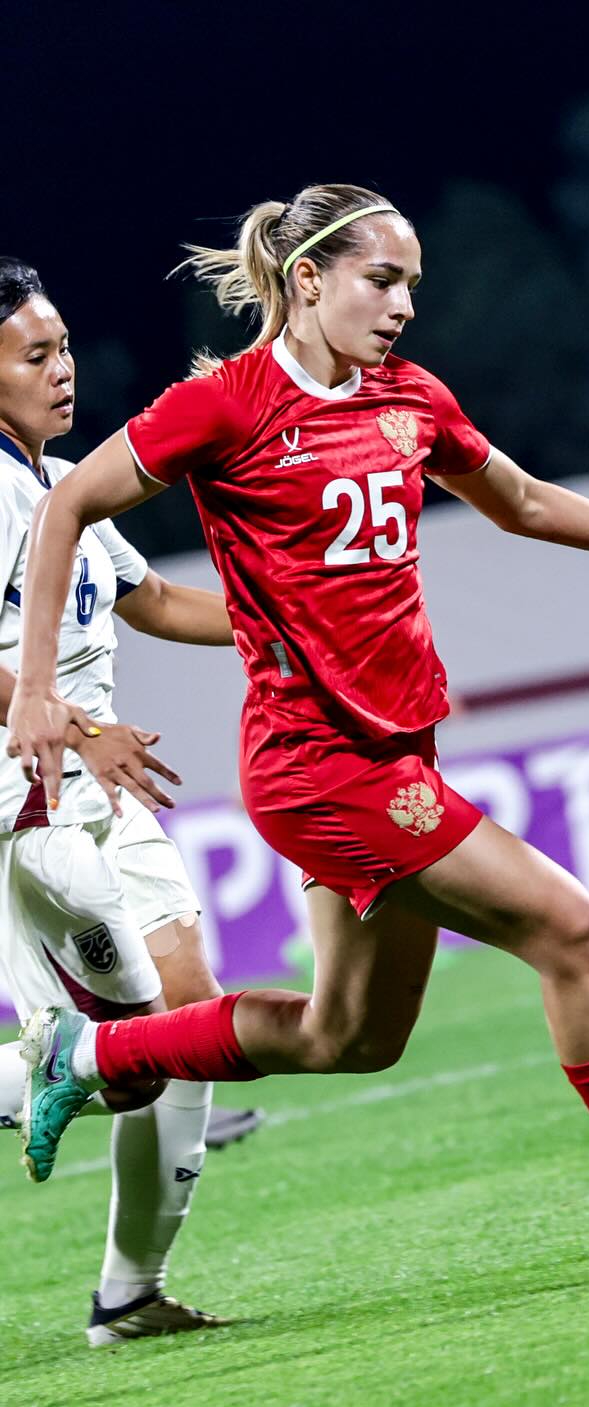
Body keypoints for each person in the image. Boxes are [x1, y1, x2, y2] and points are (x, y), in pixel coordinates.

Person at [11, 184, 589, 1267]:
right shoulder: (225, 406)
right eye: (381, 280)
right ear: (308, 280)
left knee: (349, 1038)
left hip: (394, 750)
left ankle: (86, 1056)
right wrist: (34, 689)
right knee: (570, 931)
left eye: (411, 287)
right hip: (320, 767)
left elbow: (523, 502)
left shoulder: (410, 400)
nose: (401, 307)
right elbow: (67, 507)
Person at [0, 256, 253, 1342]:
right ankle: (31, 1075)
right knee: (135, 1051)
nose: (64, 371)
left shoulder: (62, 488)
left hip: (102, 780)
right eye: (35, 355)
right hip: (32, 795)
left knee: (188, 1029)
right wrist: (79, 727)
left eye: (64, 349)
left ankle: (130, 1294)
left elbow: (150, 602)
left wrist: (291, 613)